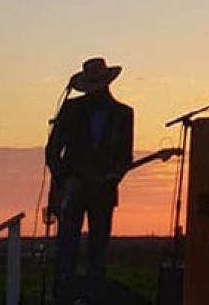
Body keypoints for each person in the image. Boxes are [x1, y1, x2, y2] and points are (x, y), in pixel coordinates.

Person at [45, 57, 134, 305]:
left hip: (103, 190)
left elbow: (125, 156)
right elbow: (52, 150)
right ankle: (65, 292)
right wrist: (64, 180)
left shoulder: (123, 114)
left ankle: (96, 294)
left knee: (99, 245)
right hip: (73, 189)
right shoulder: (71, 110)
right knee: (67, 245)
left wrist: (115, 176)